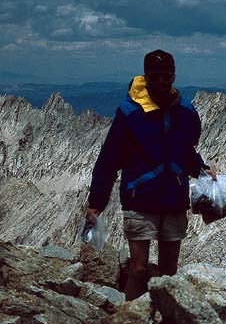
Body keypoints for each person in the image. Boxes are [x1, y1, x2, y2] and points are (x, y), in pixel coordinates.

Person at [85, 49, 214, 300]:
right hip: (139, 200)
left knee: (168, 272)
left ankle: (164, 322)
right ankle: (128, 319)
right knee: (139, 269)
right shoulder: (129, 112)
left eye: (166, 76)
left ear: (173, 76)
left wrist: (201, 169)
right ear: (146, 76)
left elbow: (186, 152)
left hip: (173, 199)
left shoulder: (186, 112)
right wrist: (96, 203)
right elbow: (109, 159)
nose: (161, 82)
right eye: (155, 77)